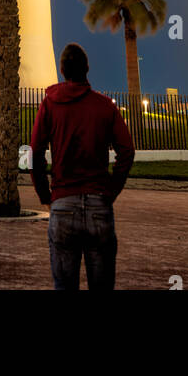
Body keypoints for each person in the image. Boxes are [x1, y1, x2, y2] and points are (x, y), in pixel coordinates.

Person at [29, 42, 135, 290]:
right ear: (87, 68)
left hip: (63, 205)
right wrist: (110, 191)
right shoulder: (105, 106)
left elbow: (35, 154)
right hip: (99, 205)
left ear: (62, 69)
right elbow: (127, 151)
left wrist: (46, 195)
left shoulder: (49, 105)